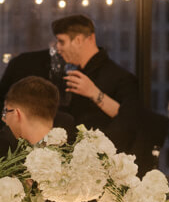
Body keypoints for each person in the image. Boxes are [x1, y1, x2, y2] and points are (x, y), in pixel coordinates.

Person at [51, 14, 140, 153]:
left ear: (78, 40)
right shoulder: (72, 74)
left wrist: (94, 93)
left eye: (61, 42)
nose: (58, 48)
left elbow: (131, 119)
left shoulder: (122, 78)